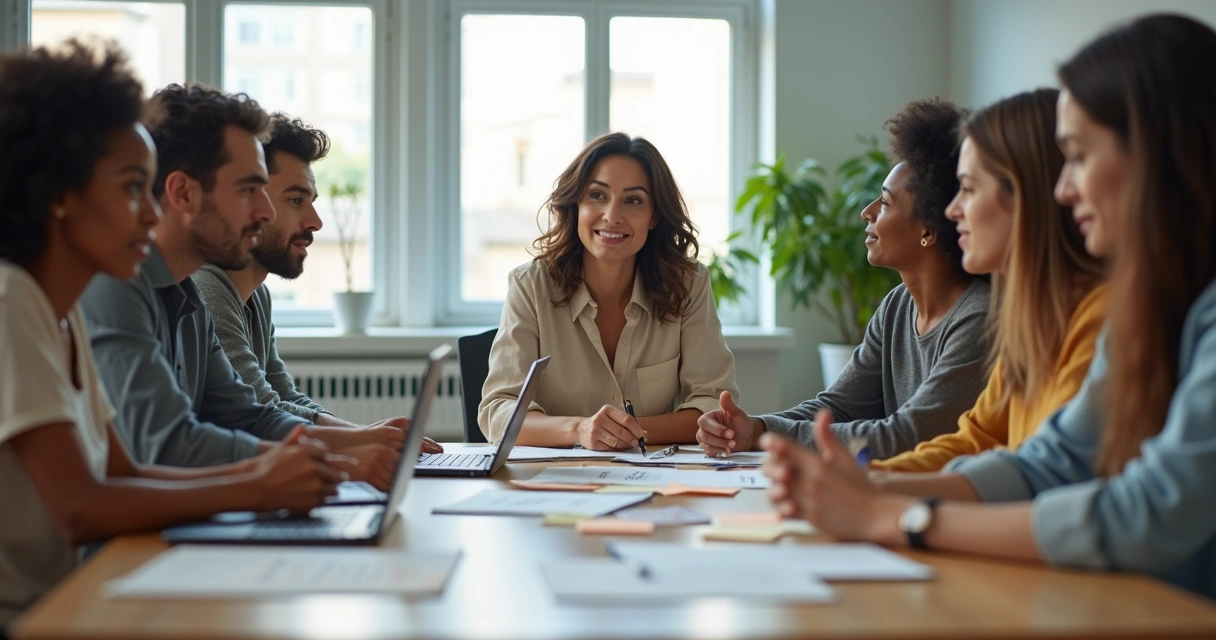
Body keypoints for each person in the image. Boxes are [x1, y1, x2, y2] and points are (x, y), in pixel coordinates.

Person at [761, 14, 1216, 600]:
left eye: (1079, 156)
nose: (1064, 189)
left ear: (1159, 155)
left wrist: (898, 515)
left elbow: (1146, 513)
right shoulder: (1141, 306)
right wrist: (871, 490)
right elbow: (1045, 461)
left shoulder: (1102, 311)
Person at [0, 41, 340, 630]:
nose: (151, 213)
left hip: (73, 601)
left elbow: (124, 474)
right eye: (133, 188)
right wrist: (256, 486)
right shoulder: (12, 301)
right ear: (59, 195)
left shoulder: (63, 314)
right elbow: (80, 507)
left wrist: (276, 471)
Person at [79, 83, 401, 476]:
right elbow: (165, 445)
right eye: (249, 190)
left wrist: (368, 441)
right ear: (183, 193)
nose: (265, 211)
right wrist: (339, 460)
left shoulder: (187, 295)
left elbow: (250, 416)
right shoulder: (117, 285)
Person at [698, 98, 990, 461]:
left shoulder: (978, 318)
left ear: (928, 230)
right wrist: (754, 427)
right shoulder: (897, 306)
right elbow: (839, 407)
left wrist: (766, 435)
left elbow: (909, 435)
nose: (866, 212)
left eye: (885, 203)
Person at [192, 114, 440, 488]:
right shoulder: (205, 286)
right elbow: (259, 410)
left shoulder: (256, 295)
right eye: (295, 200)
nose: (315, 221)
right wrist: (360, 440)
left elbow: (283, 396)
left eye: (311, 201)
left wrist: (364, 435)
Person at [872, 89, 1107, 473]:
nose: (951, 211)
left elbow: (1041, 474)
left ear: (1026, 195)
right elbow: (976, 439)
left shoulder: (1097, 317)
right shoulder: (1029, 319)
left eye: (968, 188)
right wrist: (868, 479)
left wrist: (875, 488)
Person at [479, 132, 738, 449]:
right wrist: (579, 430)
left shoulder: (688, 285)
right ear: (576, 204)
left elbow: (712, 406)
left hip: (653, 474)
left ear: (654, 216)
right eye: (597, 195)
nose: (612, 216)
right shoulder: (530, 286)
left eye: (633, 200)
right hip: (557, 477)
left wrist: (618, 432)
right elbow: (499, 412)